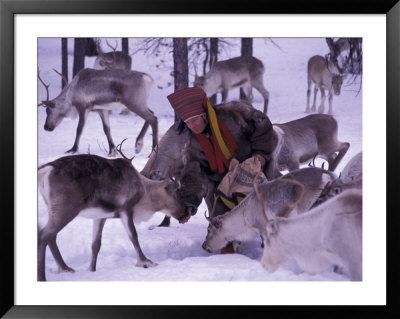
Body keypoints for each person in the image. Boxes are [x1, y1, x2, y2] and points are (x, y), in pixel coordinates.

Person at [167, 87, 278, 253]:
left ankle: (275, 243)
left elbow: (262, 124)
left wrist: (261, 154)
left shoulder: (233, 115)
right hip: (222, 182)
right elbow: (195, 174)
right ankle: (226, 254)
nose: (192, 126)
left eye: (195, 120)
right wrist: (188, 204)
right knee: (219, 217)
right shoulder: (194, 143)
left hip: (254, 167)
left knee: (269, 205)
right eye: (187, 123)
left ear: (204, 115)